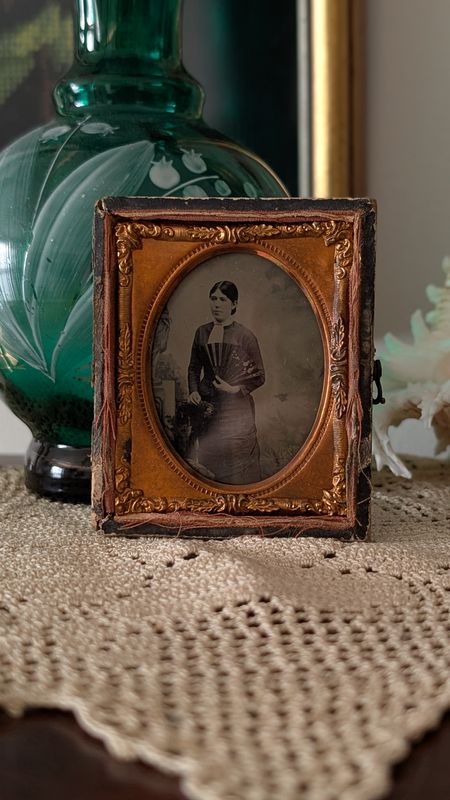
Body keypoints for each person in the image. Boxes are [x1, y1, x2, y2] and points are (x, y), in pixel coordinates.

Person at [187, 280, 265, 484]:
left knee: (235, 459)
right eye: (213, 299)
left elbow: (259, 375)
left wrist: (233, 389)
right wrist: (193, 390)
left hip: (236, 409)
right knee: (208, 457)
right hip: (208, 406)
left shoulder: (245, 336)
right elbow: (194, 368)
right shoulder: (202, 332)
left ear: (234, 304)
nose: (217, 304)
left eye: (223, 299)